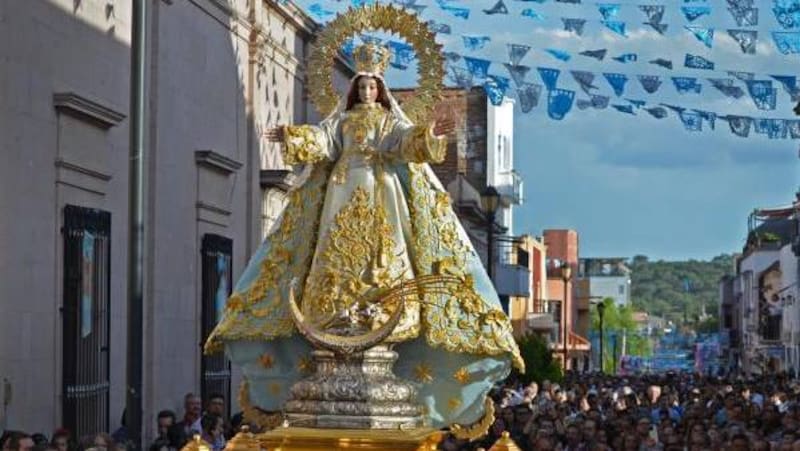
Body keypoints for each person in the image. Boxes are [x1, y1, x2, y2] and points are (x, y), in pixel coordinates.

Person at [204, 41, 522, 429]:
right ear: (354, 89)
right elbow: (323, 141)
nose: (368, 93)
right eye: (363, 87)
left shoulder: (389, 122)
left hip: (380, 190)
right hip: (340, 188)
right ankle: (334, 318)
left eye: (374, 87)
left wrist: (428, 135)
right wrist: (294, 136)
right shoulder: (342, 120)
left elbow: (405, 143)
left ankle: (381, 317)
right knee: (333, 253)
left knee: (382, 254)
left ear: (381, 90)